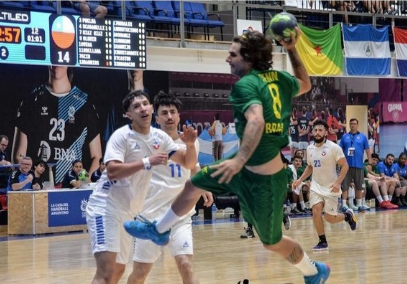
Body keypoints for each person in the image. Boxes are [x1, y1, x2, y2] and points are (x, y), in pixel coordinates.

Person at [124, 30, 331, 283]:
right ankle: (158, 230)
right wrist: (291, 49)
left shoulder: (246, 85)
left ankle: (314, 271)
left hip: (264, 180)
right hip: (244, 166)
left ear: (249, 59)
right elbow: (306, 84)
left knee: (271, 242)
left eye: (233, 54)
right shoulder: (279, 78)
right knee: (192, 184)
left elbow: (256, 120)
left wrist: (239, 159)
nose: (227, 58)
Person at [85, 90, 198, 284]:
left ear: (151, 109)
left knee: (117, 272)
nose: (142, 108)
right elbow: (112, 171)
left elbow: (188, 163)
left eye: (145, 103)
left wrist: (189, 145)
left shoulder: (159, 138)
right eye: (136, 106)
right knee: (107, 271)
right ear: (128, 114)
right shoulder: (121, 136)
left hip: (130, 212)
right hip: (106, 207)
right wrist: (148, 161)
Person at [127, 91, 204, 284]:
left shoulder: (191, 141)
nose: (169, 116)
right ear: (157, 116)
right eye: (164, 112)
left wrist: (204, 187)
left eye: (172, 112)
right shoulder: (147, 140)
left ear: (178, 115)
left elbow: (194, 167)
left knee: (186, 264)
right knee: (139, 274)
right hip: (150, 216)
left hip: (180, 215)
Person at [13, 66, 102, 186]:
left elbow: (97, 156)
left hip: (71, 188)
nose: (57, 61)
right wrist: (32, 180)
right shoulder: (31, 100)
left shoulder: (84, 103)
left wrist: (85, 184)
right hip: (40, 186)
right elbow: (19, 156)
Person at [293, 119, 357, 251]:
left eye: (320, 130)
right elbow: (310, 167)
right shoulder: (309, 148)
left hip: (331, 187)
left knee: (330, 218)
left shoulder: (334, 148)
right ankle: (322, 241)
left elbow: (345, 166)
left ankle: (347, 216)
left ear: (326, 132)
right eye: (315, 130)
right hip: (316, 186)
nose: (317, 132)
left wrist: (338, 183)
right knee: (316, 212)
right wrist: (299, 180)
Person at [339, 118, 372, 212]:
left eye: (354, 123)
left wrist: (369, 162)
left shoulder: (363, 137)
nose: (353, 125)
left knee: (359, 185)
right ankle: (344, 205)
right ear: (349, 125)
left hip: (358, 165)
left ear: (357, 125)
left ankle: (359, 205)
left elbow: (368, 150)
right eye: (351, 124)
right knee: (345, 185)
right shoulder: (344, 137)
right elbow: (340, 150)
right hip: (346, 166)